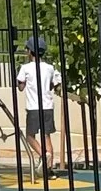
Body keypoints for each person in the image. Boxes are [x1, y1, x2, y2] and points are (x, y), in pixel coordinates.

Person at [13, 39, 63, 176]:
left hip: (33, 107)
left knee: (30, 136)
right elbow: (53, 85)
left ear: (29, 52)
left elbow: (21, 87)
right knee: (46, 136)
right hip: (47, 106)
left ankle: (42, 154)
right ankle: (49, 171)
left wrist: (19, 81)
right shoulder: (50, 68)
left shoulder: (26, 68)